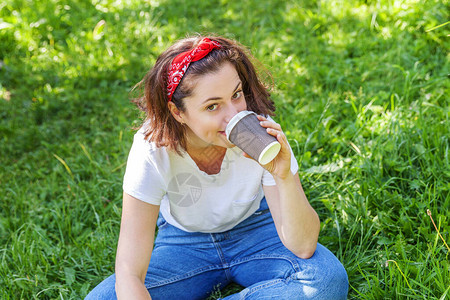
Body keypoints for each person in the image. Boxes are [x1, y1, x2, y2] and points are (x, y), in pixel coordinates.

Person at [86, 35, 348, 299]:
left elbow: (303, 247)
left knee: (325, 280)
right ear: (178, 113)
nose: (234, 114)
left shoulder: (261, 132)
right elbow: (129, 272)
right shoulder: (152, 149)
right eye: (212, 106)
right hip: (185, 243)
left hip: (256, 227)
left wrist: (284, 176)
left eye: (236, 94)